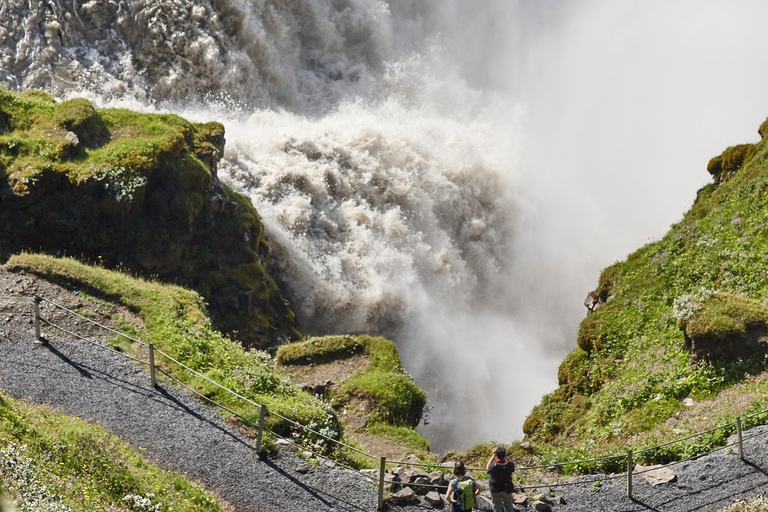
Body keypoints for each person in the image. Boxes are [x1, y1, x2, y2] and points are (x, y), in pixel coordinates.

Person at [485, 446, 515, 512]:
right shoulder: (510, 464)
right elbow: (512, 467)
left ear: (496, 455)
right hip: (507, 488)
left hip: (496, 488)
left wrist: (493, 456)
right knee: (508, 504)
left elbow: (487, 468)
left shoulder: (494, 466)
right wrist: (506, 457)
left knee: (497, 505)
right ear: (505, 455)